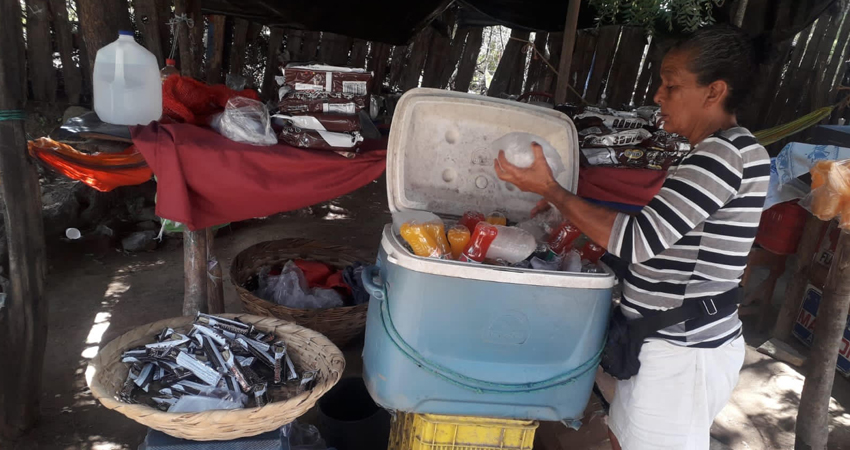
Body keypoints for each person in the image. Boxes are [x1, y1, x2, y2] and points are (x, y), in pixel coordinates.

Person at [494, 25, 770, 450]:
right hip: (673, 344)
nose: (659, 95)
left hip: (682, 353)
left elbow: (637, 240)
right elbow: (667, 232)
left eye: (671, 85)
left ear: (713, 91)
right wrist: (565, 209)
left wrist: (553, 191)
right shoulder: (734, 149)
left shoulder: (720, 155)